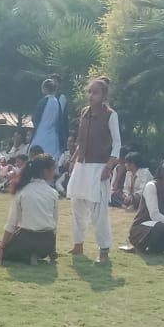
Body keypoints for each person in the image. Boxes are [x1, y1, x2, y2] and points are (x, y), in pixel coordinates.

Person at [67, 76, 121, 262]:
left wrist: (109, 166)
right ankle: (78, 244)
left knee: (99, 211)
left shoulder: (110, 115)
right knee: (77, 205)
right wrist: (73, 159)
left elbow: (117, 143)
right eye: (89, 92)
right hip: (81, 165)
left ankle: (103, 250)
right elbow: (81, 141)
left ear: (104, 95)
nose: (91, 96)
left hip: (99, 166)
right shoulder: (84, 112)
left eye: (95, 92)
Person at [0, 153, 60, 265]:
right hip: (47, 243)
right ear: (45, 171)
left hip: (26, 240)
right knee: (17, 234)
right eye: (53, 169)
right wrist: (52, 250)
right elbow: (54, 224)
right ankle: (34, 254)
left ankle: (27, 255)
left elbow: (11, 223)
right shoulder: (53, 193)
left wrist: (1, 249)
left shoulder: (22, 191)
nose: (55, 172)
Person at [30, 79, 63, 159]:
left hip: (41, 133)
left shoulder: (43, 101)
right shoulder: (57, 102)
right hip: (53, 135)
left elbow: (35, 117)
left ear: (45, 89)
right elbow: (60, 120)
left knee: (36, 156)